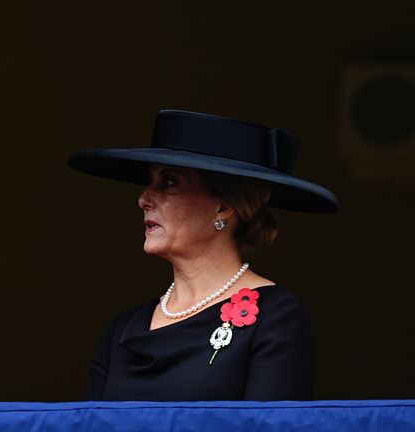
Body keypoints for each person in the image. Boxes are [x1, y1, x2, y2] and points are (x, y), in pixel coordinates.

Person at [68, 110, 337, 401]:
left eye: (169, 182)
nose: (143, 199)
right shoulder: (123, 329)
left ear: (223, 206)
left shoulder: (276, 317)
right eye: (149, 181)